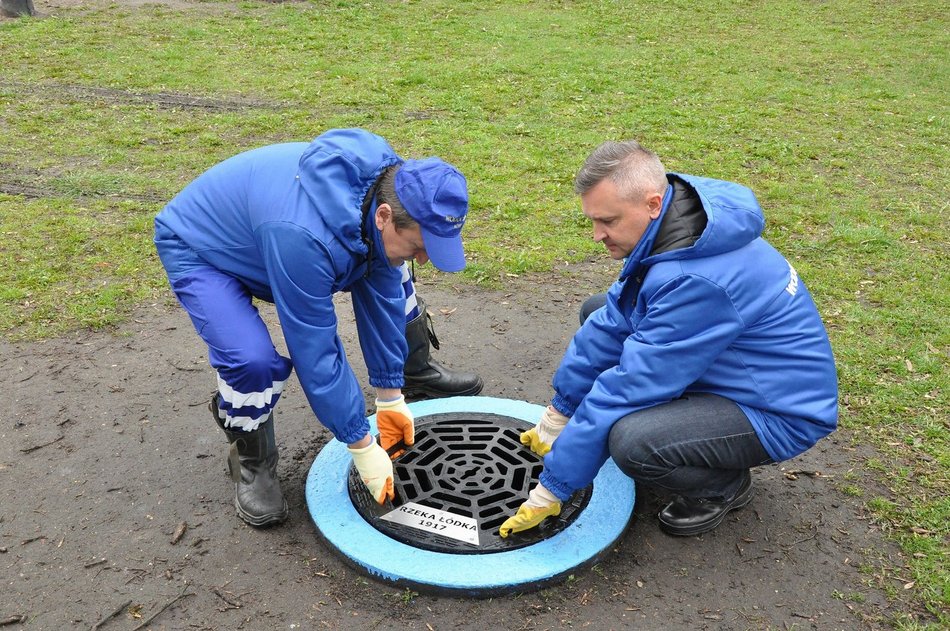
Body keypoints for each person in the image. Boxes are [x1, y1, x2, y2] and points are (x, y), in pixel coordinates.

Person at [500, 140, 838, 538]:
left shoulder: (695, 278)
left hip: (776, 411)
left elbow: (631, 385)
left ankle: (722, 486)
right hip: (736, 368)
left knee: (633, 442)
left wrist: (553, 486)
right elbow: (613, 321)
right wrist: (560, 411)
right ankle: (688, 435)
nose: (596, 235)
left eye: (608, 221)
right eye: (593, 220)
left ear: (653, 204)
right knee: (597, 311)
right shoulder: (678, 229)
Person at [154, 128, 482, 527]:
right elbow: (316, 350)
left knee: (397, 278)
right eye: (419, 247)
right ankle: (252, 460)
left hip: (269, 234)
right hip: (202, 249)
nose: (424, 259)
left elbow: (381, 295)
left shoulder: (387, 190)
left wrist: (390, 395)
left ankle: (415, 373)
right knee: (251, 361)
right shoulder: (302, 237)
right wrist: (361, 444)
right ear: (383, 217)